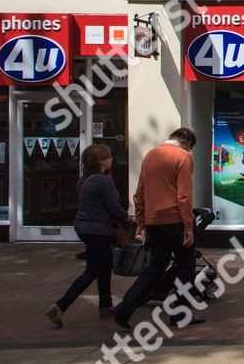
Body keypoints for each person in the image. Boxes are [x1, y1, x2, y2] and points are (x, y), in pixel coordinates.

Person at [111, 126, 204, 331]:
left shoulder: (150, 156)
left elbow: (139, 194)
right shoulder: (183, 158)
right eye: (190, 148)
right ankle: (180, 314)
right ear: (188, 143)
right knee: (186, 267)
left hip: (154, 222)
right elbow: (184, 196)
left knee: (155, 267)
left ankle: (125, 309)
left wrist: (141, 224)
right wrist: (188, 227)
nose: (189, 152)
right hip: (175, 221)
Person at [46, 142, 130, 327]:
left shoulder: (84, 180)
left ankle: (106, 305)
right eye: (108, 157)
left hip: (84, 228)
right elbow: (113, 206)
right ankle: (60, 306)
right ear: (101, 161)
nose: (111, 159)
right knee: (92, 270)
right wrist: (127, 219)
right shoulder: (104, 181)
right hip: (98, 230)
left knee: (105, 265)